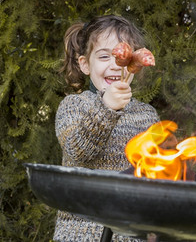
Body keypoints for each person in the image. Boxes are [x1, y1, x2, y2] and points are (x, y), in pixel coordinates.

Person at [53, 15, 159, 241]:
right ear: (85, 64)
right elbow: (78, 152)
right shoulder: (73, 106)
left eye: (124, 56)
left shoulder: (148, 115)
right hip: (81, 233)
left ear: (135, 64)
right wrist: (107, 108)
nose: (114, 65)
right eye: (104, 56)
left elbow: (157, 177)